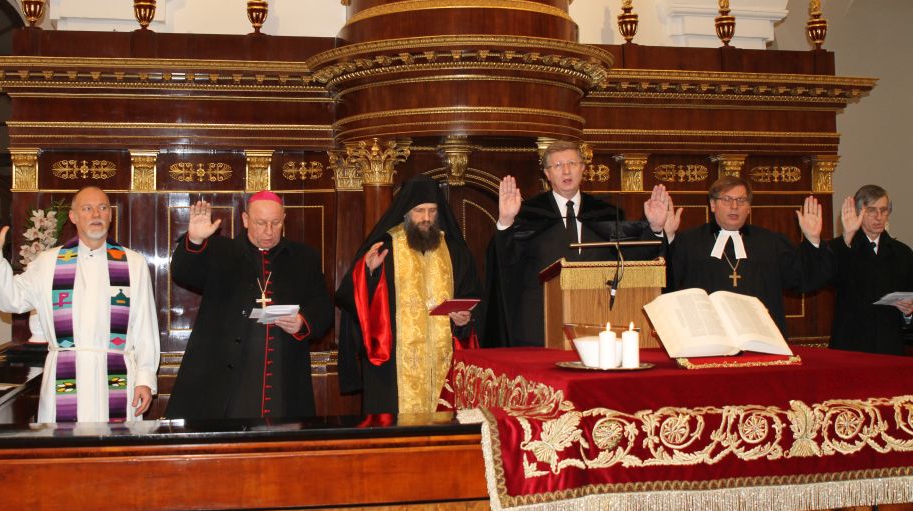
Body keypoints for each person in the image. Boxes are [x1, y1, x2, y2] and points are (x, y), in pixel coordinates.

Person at [0, 186, 159, 423]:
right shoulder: (48, 263)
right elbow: (10, 300)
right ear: (73, 216)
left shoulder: (133, 263)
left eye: (102, 208)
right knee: (65, 444)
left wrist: (144, 379)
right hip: (65, 376)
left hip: (117, 377)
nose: (96, 214)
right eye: (87, 208)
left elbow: (145, 327)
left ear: (110, 215)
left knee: (114, 445)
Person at [486, 140, 672, 346]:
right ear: (547, 174)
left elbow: (631, 262)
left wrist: (655, 228)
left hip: (597, 319)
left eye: (572, 164)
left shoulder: (607, 213)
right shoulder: (528, 213)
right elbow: (506, 262)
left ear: (583, 168)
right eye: (558, 165)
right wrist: (506, 222)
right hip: (540, 325)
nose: (566, 171)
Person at [166, 191, 333, 419]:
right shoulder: (219, 251)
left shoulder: (304, 258)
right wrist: (194, 240)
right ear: (245, 220)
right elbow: (183, 273)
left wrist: (302, 323)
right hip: (227, 378)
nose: (269, 231)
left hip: (283, 376)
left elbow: (323, 307)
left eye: (276, 223)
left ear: (284, 219)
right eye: (261, 223)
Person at [336, 175, 481, 415]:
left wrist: (464, 319)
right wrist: (369, 273)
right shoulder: (384, 249)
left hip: (444, 362)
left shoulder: (454, 251)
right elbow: (350, 299)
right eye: (419, 211)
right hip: (393, 368)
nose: (426, 218)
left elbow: (473, 298)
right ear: (406, 212)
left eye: (432, 211)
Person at [664, 175, 834, 335]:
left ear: (749, 208)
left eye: (741, 200)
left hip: (761, 336)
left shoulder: (771, 242)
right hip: (709, 336)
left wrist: (813, 240)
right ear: (713, 205)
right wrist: (667, 238)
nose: (734, 206)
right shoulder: (689, 241)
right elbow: (666, 281)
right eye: (727, 199)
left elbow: (802, 280)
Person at [828, 185, 913, 355]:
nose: (879, 217)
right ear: (858, 212)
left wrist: (908, 313)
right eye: (872, 210)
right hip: (851, 345)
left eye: (884, 210)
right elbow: (828, 277)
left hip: (890, 346)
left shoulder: (902, 252)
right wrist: (847, 237)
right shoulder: (841, 247)